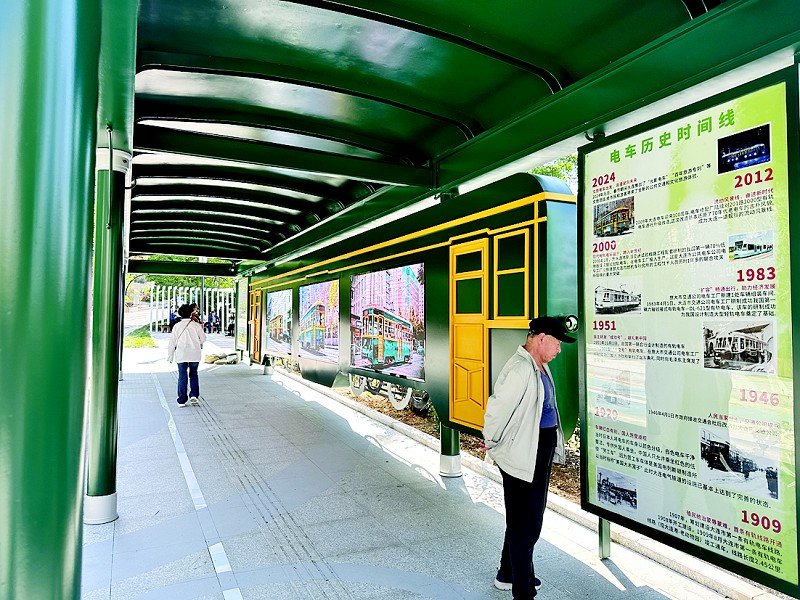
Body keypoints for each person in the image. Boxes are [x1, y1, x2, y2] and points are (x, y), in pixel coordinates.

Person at [482, 316, 576, 599]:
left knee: (521, 518)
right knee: (528, 522)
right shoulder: (520, 369)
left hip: (537, 450)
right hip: (522, 453)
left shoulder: (539, 365)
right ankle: (523, 592)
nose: (559, 349)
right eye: (557, 343)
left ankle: (507, 572)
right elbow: (497, 410)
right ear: (541, 338)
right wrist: (492, 442)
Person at [167, 303, 207, 407]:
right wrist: (196, 342)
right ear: (190, 314)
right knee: (193, 374)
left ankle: (181, 400)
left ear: (180, 314)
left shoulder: (177, 326)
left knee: (182, 376)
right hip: (194, 354)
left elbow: (172, 342)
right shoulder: (196, 325)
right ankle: (194, 395)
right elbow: (203, 339)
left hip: (181, 354)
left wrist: (170, 355)